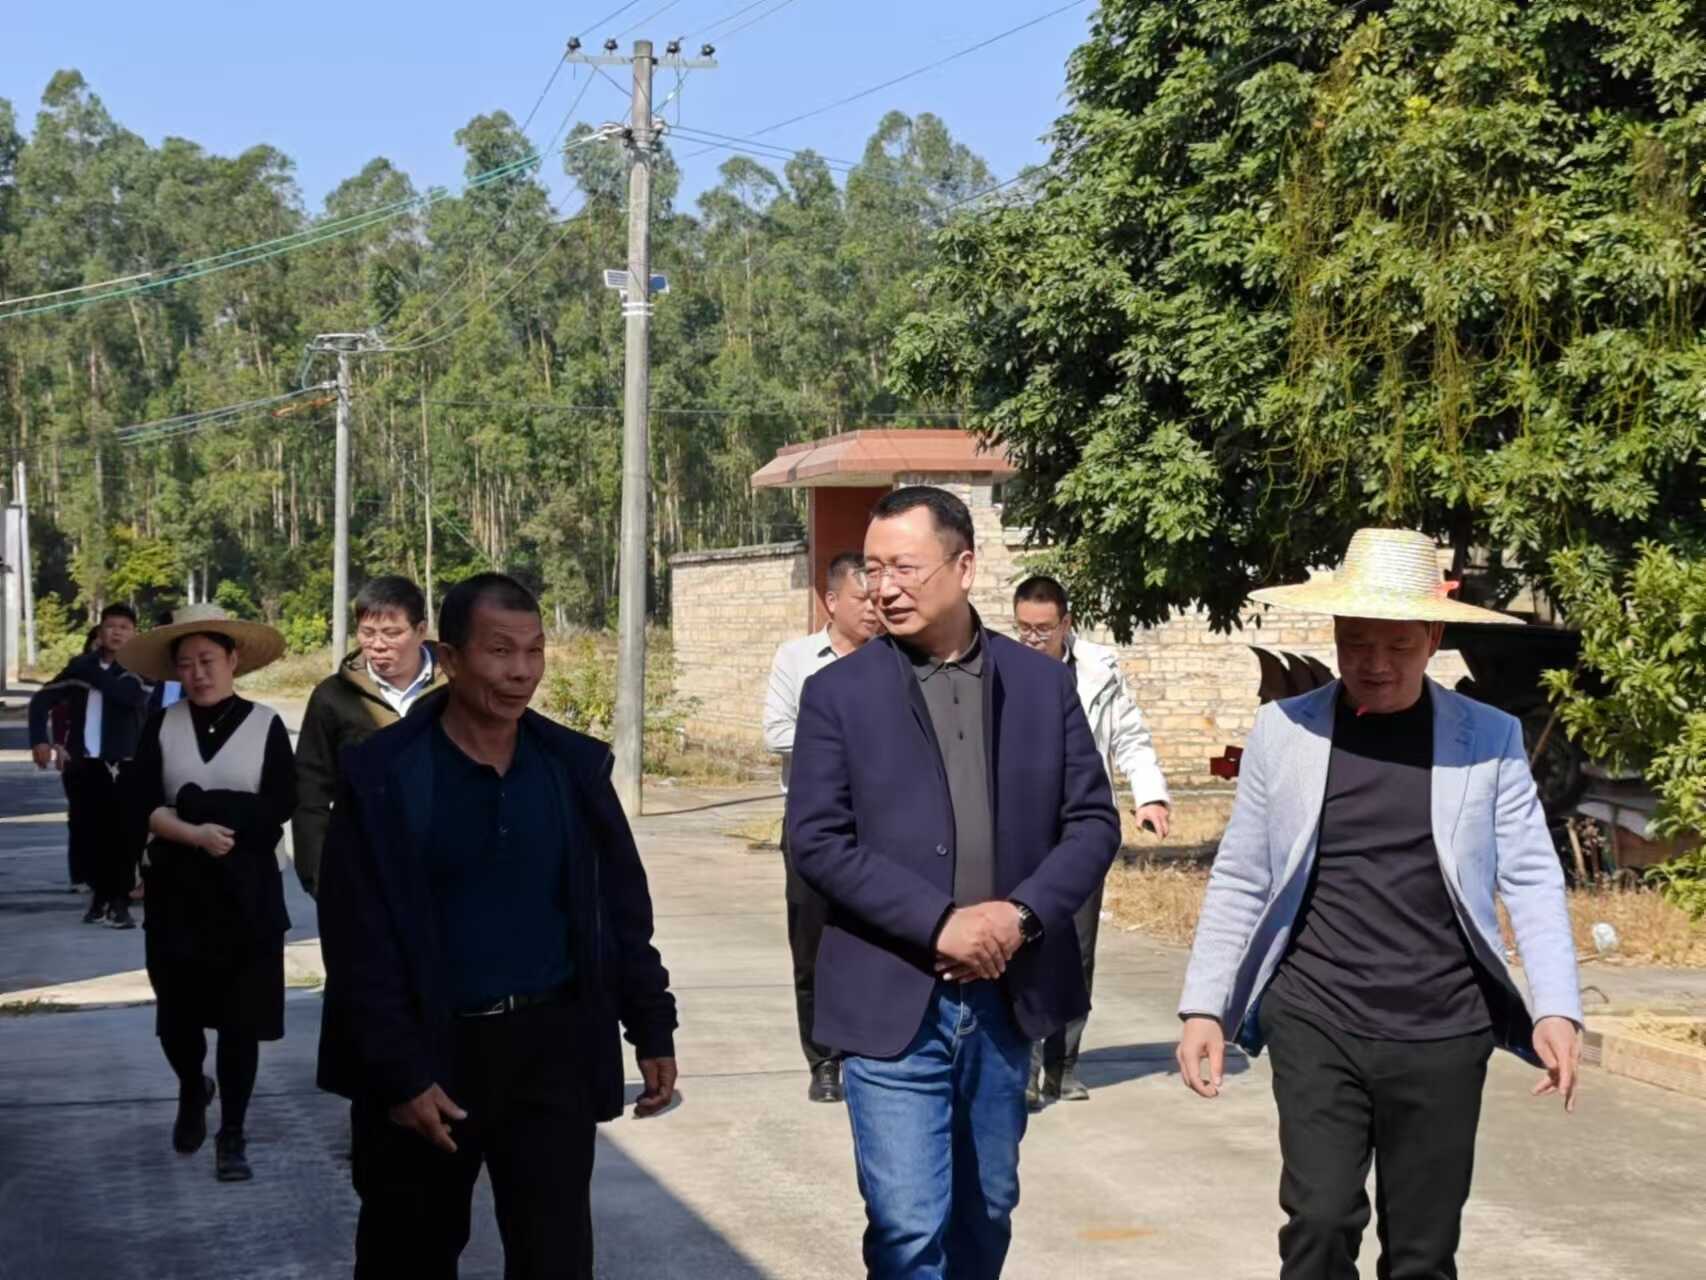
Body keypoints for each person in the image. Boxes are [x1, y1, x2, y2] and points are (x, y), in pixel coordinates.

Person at [1175, 527, 1583, 1279]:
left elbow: (1530, 876)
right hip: (1316, 1015)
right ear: (1335, 633)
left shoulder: (1488, 739)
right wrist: (1206, 1006)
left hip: (1443, 1026)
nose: (1376, 663)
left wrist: (1556, 1007)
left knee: (1423, 1253)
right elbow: (1243, 874)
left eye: (1398, 645)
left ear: (1433, 639)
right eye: (1357, 643)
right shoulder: (1285, 731)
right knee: (1320, 1221)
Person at [789, 487, 1121, 1279]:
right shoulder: (837, 694)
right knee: (908, 1226)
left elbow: (1091, 823)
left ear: (964, 566)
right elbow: (817, 840)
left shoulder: (1039, 686)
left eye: (904, 567)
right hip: (893, 999)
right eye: (873, 570)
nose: (884, 588)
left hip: (1006, 997)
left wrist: (1020, 916)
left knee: (987, 1209)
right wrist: (939, 923)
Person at [316, 573, 679, 1280]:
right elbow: (357, 942)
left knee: (555, 1259)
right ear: (451, 659)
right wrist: (400, 1073)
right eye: (500, 651)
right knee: (407, 1257)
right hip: (431, 1055)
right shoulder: (386, 776)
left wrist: (651, 1024)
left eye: (534, 651)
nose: (521, 672)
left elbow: (620, 909)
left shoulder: (571, 770)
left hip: (550, 1051)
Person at [116, 604, 295, 1183]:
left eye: (208, 660)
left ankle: (233, 1133)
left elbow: (278, 806)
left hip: (247, 895)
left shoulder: (265, 723)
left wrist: (199, 805)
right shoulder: (161, 725)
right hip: (177, 892)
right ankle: (193, 1085)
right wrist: (193, 831)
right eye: (187, 664)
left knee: (240, 1023)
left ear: (233, 659)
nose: (198, 673)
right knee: (177, 1019)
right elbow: (138, 801)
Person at [1012, 574, 1171, 1108]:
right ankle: (1024, 1066)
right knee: (1024, 942)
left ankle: (1064, 1065)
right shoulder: (999, 670)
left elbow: (1129, 735)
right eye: (1024, 628)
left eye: (1043, 628)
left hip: (1082, 828)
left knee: (1077, 949)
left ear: (1067, 623)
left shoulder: (1100, 671)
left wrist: (1149, 795)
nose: (1033, 639)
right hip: (1022, 828)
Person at [761, 549, 880, 1103]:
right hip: (813, 823)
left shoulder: (895, 660)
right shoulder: (797, 659)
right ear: (832, 601)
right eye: (862, 600)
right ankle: (824, 1060)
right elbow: (776, 732)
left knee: (876, 938)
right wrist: (842, 741)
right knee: (811, 944)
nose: (874, 609)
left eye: (878, 600)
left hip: (878, 824)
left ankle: (870, 1048)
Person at [292, 574, 444, 898]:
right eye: (367, 632)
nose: (377, 644)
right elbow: (309, 792)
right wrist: (320, 879)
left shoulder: (458, 689)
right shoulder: (333, 697)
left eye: (392, 633)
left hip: (448, 872)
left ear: (421, 630)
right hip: (365, 874)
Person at [28, 604, 151, 925]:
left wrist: (87, 669)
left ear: (134, 633)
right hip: (84, 764)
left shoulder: (140, 669)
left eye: (124, 627)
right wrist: (39, 739)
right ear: (99, 631)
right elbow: (42, 699)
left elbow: (126, 696)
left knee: (126, 835)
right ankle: (100, 898)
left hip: (126, 762)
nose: (117, 632)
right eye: (111, 626)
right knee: (92, 834)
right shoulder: (80, 667)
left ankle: (119, 903)